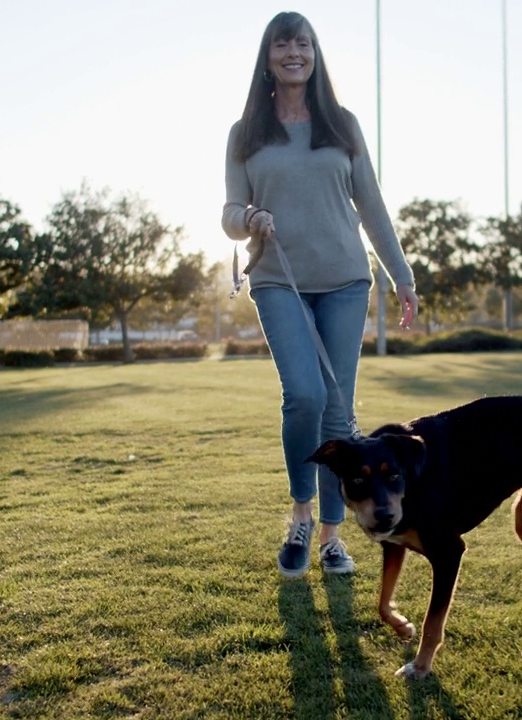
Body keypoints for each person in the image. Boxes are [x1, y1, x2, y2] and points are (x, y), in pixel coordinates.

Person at [221, 10, 418, 579]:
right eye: (283, 44)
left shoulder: (342, 123)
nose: (294, 53)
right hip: (277, 277)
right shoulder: (246, 132)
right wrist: (249, 215)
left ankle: (333, 536)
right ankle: (301, 515)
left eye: (303, 44)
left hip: (345, 279)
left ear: (314, 54)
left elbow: (371, 205)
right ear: (267, 57)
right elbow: (229, 213)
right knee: (304, 396)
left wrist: (401, 273)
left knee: (337, 409)